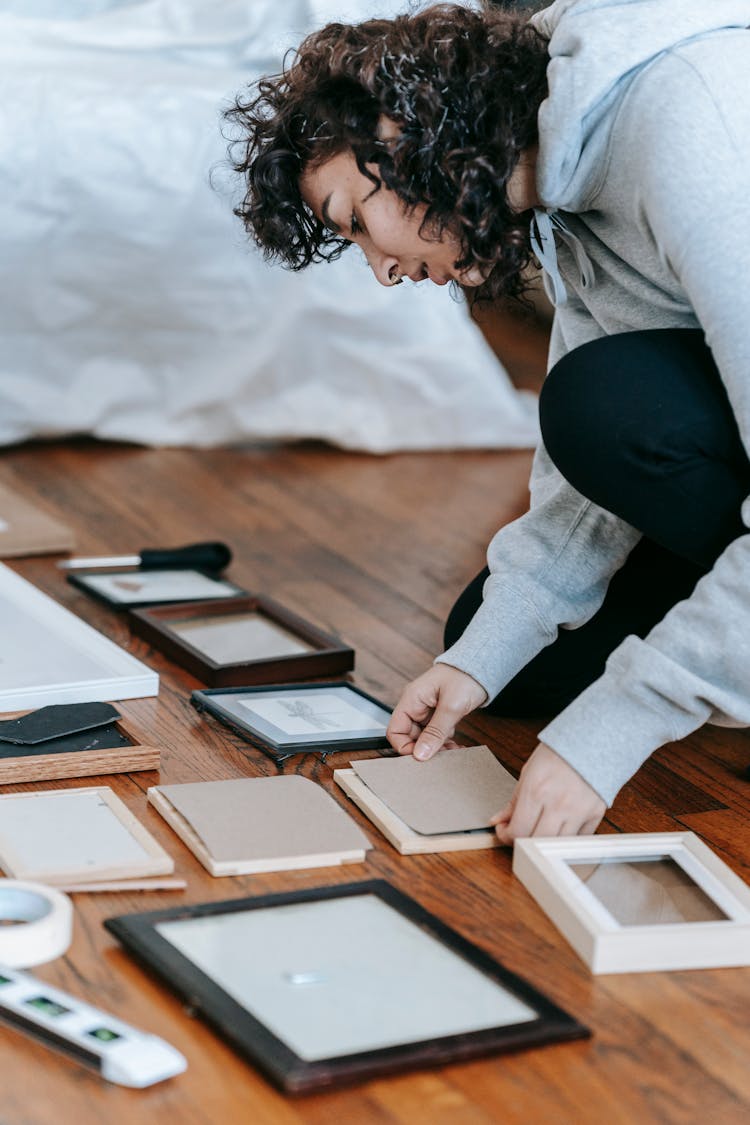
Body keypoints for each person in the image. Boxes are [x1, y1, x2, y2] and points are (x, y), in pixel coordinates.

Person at [226, 0, 750, 841]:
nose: (384, 270)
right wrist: (478, 660)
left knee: (598, 397)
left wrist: (614, 729)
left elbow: (614, 414)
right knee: (503, 645)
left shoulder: (695, 122)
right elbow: (589, 477)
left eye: (357, 222)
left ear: (403, 131)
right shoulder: (561, 195)